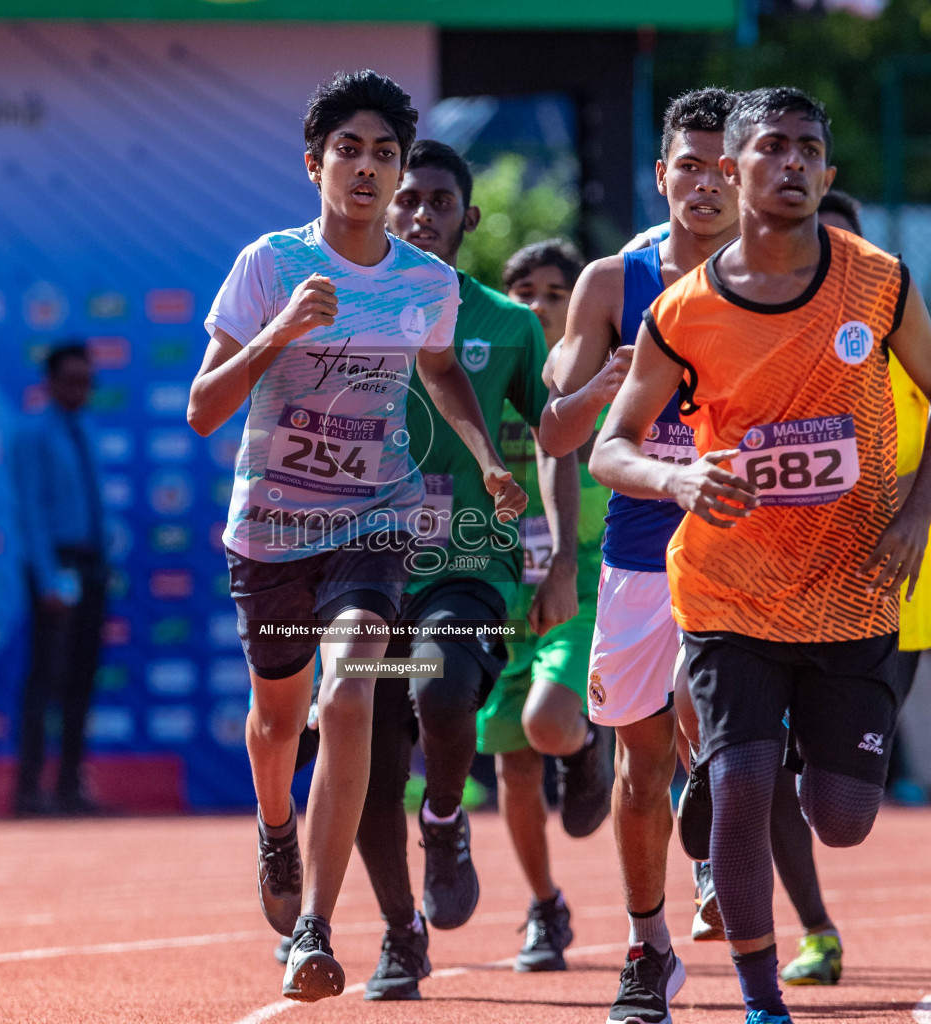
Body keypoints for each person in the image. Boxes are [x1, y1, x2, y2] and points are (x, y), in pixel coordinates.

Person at [588, 87, 931, 1024]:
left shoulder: (879, 282)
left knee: (840, 819)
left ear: (828, 173)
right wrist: (678, 482)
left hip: (850, 595)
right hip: (730, 593)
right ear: (733, 169)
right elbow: (609, 446)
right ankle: (763, 1004)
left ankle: (765, 751)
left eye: (809, 150)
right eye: (773, 148)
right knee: (746, 787)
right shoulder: (683, 310)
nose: (792, 164)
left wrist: (916, 513)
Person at [187, 70, 524, 1003]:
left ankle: (315, 930)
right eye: (350, 152)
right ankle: (273, 826)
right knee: (276, 724)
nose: (369, 170)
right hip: (272, 529)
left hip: (376, 518)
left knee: (351, 697)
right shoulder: (269, 266)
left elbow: (443, 368)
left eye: (386, 154)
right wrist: (280, 334)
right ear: (315, 166)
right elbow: (203, 407)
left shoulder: (427, 280)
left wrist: (486, 456)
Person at [675, 189, 931, 988]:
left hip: (882, 598)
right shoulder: (749, 329)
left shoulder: (893, 322)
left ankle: (742, 766)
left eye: (842, 249)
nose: (828, 266)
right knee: (759, 769)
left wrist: (908, 500)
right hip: (758, 594)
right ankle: (809, 925)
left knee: (841, 804)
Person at [347, 141, 571, 1002]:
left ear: (466, 217)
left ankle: (443, 819)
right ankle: (401, 935)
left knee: (441, 690)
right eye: (405, 200)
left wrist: (556, 556)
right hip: (362, 569)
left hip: (469, 566)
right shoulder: (342, 308)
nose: (418, 216)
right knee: (366, 748)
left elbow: (554, 437)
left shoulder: (507, 325)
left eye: (438, 201)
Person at [543, 87, 740, 1024]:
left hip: (748, 538)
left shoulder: (787, 279)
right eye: (688, 168)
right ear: (661, 176)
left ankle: (716, 823)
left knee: (727, 730)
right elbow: (554, 429)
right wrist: (603, 385)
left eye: (722, 168)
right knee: (639, 755)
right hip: (637, 545)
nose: (705, 185)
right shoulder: (610, 284)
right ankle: (646, 944)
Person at [478, 237, 611, 975]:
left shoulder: (607, 380)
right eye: (523, 290)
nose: (538, 304)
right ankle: (544, 905)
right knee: (513, 772)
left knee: (549, 726)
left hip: (582, 580)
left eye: (555, 291)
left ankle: (589, 746)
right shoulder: (482, 379)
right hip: (499, 589)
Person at [13, 342, 109, 817]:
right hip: (58, 566)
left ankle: (71, 784)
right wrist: (48, 579)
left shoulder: (86, 430)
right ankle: (29, 789)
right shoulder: (34, 434)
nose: (79, 389)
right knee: (46, 675)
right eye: (69, 380)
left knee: (82, 678)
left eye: (86, 380)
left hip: (91, 565)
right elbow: (31, 511)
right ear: (48, 382)